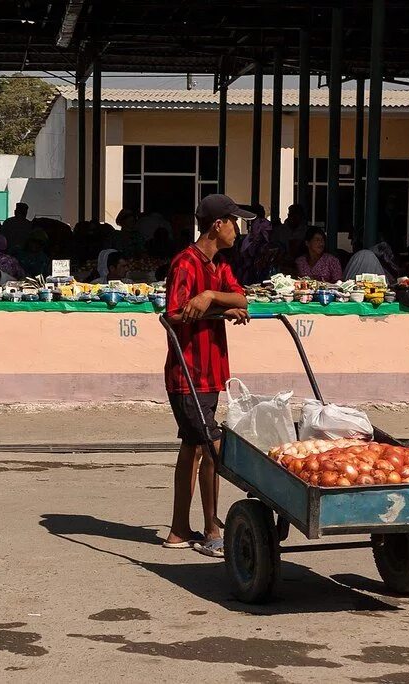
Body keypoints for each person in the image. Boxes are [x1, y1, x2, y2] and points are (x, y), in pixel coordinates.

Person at [163, 194, 254, 558]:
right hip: (189, 373)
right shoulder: (185, 263)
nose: (238, 230)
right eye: (235, 222)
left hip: (211, 373)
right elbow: (172, 314)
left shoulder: (219, 267)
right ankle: (213, 529)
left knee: (193, 447)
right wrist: (212, 310)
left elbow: (242, 299)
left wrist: (210, 297)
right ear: (218, 224)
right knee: (212, 447)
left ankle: (178, 530)